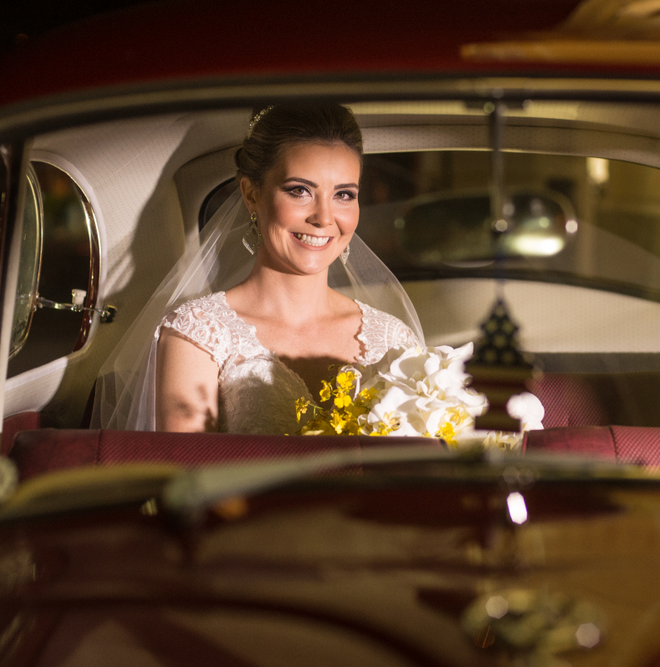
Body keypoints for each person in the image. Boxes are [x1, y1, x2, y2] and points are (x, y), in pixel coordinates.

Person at [94, 103, 423, 434]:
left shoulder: (393, 339)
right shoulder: (199, 334)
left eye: (344, 195)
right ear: (251, 195)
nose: (324, 218)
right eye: (300, 191)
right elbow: (189, 477)